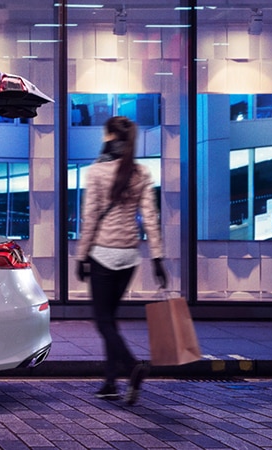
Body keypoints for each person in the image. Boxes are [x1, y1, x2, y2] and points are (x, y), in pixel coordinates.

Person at [76, 116, 166, 405]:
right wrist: (158, 258)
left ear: (110, 136)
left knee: (103, 321)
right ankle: (110, 382)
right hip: (130, 257)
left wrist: (81, 255)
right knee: (111, 320)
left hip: (103, 253)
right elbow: (150, 218)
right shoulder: (140, 172)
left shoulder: (96, 172)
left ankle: (132, 367)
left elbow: (90, 219)